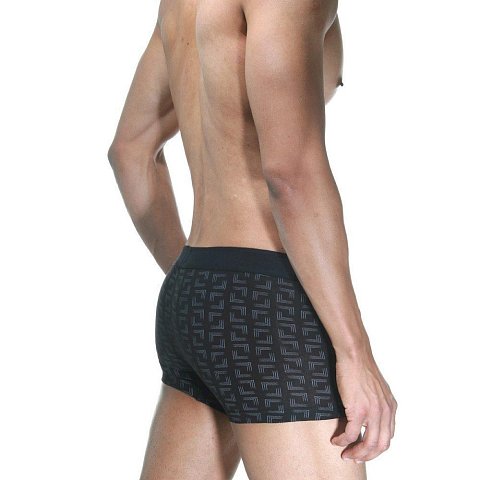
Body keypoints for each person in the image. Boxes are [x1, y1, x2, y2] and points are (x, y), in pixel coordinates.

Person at [108, 0, 397, 478]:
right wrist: (355, 352)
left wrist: (210, 289)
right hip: (271, 306)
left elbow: (130, 151)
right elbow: (290, 174)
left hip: (193, 292)